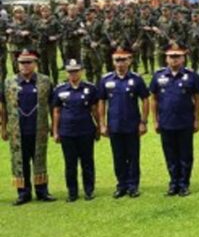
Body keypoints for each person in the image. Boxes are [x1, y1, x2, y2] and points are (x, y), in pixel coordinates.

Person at [149, 43, 199, 196]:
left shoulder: (191, 76)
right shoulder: (159, 76)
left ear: (183, 58)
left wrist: (197, 120)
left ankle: (184, 184)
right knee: (170, 155)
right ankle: (173, 183)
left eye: (177, 56)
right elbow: (154, 99)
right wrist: (155, 120)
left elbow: (197, 99)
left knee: (186, 155)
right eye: (171, 57)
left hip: (185, 122)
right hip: (166, 122)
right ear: (166, 58)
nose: (174, 60)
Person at [4, 49, 56, 205]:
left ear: (35, 64)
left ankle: (42, 191)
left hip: (38, 128)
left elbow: (53, 105)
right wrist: (3, 128)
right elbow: (3, 107)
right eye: (22, 63)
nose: (25, 66)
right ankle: (23, 193)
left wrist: (54, 125)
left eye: (28, 62)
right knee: (20, 161)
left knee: (40, 159)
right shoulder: (9, 82)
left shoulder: (45, 81)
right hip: (17, 130)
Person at [97, 45, 150, 198]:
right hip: (114, 125)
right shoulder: (106, 80)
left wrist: (143, 121)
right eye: (117, 60)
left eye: (123, 60)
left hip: (132, 125)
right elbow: (101, 101)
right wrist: (102, 123)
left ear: (130, 60)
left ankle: (133, 186)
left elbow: (145, 99)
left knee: (133, 156)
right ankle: (121, 185)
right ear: (113, 61)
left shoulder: (136, 79)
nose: (120, 63)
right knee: (118, 157)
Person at [51, 59, 100, 201]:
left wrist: (98, 126)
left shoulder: (90, 88)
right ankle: (72, 192)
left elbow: (94, 110)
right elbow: (56, 112)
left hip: (86, 130)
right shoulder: (60, 89)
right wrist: (55, 131)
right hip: (67, 132)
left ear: (82, 71)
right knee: (70, 164)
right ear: (67, 73)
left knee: (87, 162)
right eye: (70, 71)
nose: (73, 74)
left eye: (76, 71)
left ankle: (89, 190)